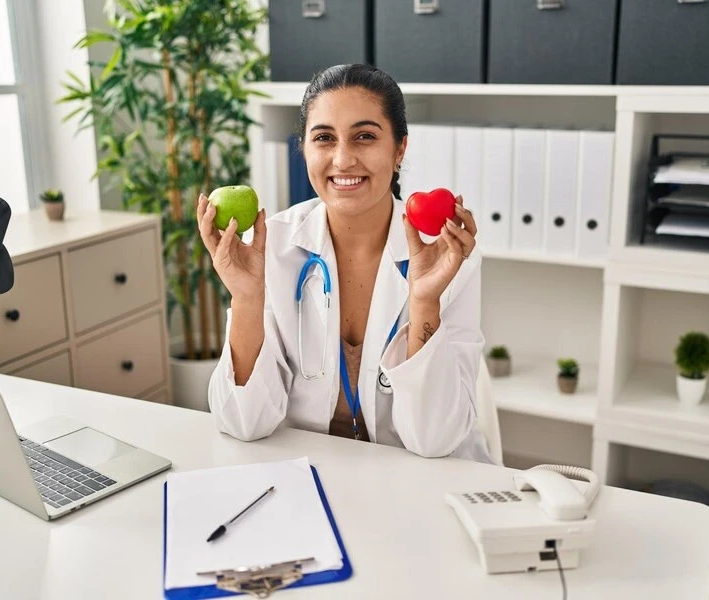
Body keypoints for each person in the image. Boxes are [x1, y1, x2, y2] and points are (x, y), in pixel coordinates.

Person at [197, 63, 493, 464]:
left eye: (365, 136)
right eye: (324, 138)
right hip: (319, 479)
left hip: (423, 485)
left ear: (399, 148)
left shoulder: (447, 253)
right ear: (303, 147)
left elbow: (435, 441)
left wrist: (424, 299)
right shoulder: (275, 246)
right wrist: (247, 298)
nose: (343, 159)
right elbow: (241, 423)